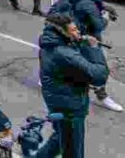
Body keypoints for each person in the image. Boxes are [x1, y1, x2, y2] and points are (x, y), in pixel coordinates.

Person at [36, 14, 109, 158]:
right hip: (69, 106)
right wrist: (93, 48)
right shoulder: (65, 54)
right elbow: (99, 76)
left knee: (62, 137)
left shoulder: (52, 44)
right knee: (73, 149)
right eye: (74, 30)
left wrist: (78, 42)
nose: (78, 33)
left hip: (58, 100)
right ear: (62, 33)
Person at [67, 0, 122, 112]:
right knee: (100, 68)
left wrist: (103, 7)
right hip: (87, 39)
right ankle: (102, 96)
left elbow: (93, 5)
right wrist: (105, 18)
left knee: (75, 63)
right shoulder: (86, 3)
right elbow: (99, 25)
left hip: (80, 36)